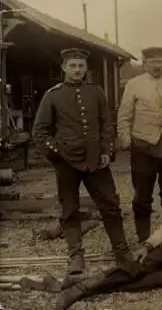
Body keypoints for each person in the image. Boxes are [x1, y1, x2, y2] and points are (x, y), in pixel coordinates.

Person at [32, 48, 133, 275]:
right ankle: (76, 256)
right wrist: (57, 153)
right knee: (69, 209)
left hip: (96, 161)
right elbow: (39, 132)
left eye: (81, 65)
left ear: (86, 68)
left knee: (110, 205)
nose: (77, 70)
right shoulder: (53, 95)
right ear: (64, 68)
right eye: (72, 66)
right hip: (67, 163)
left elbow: (107, 124)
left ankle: (122, 252)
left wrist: (108, 150)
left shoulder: (96, 92)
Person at [117, 47, 162, 242]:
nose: (157, 66)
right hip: (143, 146)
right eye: (152, 62)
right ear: (144, 64)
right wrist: (126, 138)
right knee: (142, 195)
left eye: (160, 62)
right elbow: (124, 115)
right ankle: (144, 239)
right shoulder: (134, 85)